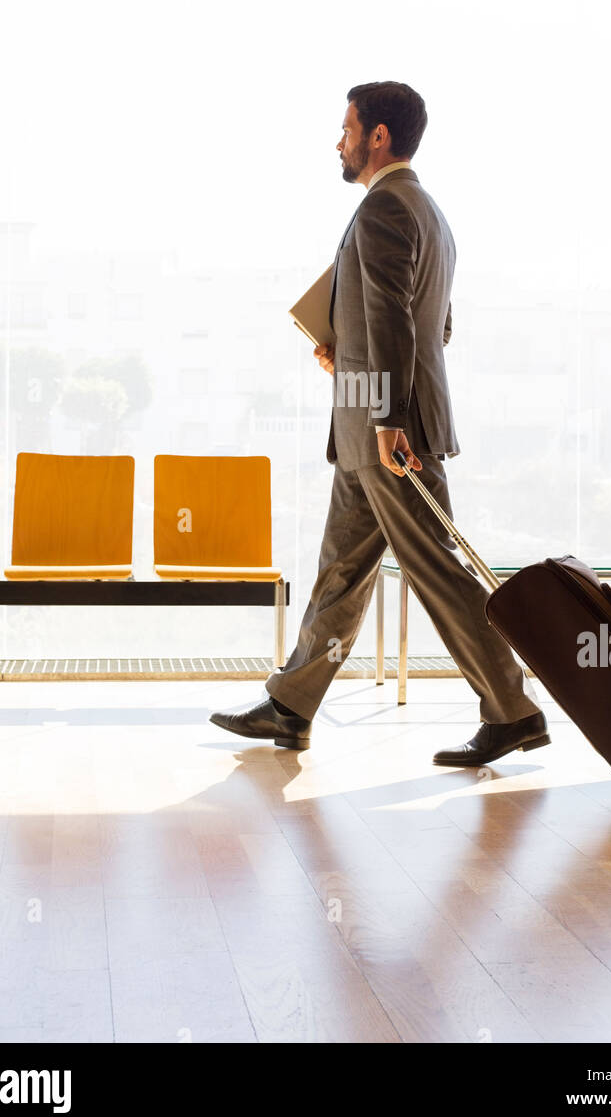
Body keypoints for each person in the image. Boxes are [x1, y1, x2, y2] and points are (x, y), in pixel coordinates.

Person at [210, 81, 549, 767]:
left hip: (387, 432)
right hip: (371, 419)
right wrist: (349, 359)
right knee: (340, 571)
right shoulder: (430, 215)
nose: (337, 141)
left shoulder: (383, 209)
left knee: (435, 569)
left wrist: (388, 414)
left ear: (378, 137)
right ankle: (291, 703)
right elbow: (434, 327)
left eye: (346, 128)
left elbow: (397, 317)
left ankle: (512, 711)